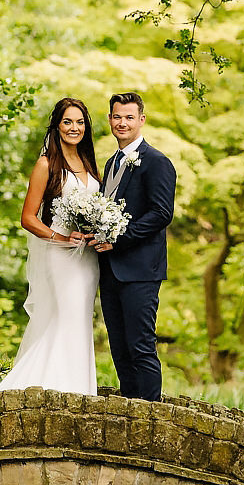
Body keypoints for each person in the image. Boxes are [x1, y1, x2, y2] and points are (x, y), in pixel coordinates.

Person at [0, 97, 101, 394]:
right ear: (56, 126)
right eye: (67, 122)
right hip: (60, 255)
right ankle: (56, 390)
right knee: (68, 316)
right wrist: (62, 238)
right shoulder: (45, 164)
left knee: (79, 319)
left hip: (88, 258)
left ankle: (78, 390)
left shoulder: (90, 163)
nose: (74, 128)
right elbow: (28, 218)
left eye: (80, 122)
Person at [90, 91, 176, 402]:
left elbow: (161, 214)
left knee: (140, 345)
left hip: (140, 270)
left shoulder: (156, 162)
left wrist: (117, 239)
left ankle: (151, 414)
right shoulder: (112, 162)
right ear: (110, 120)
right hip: (110, 271)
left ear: (141, 120)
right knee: (120, 346)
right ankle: (129, 409)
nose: (122, 122)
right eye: (117, 117)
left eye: (129, 117)